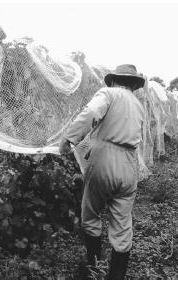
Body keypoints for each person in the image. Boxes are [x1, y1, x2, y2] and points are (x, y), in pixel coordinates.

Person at [59, 64, 145, 280]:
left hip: (104, 159)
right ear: (134, 85)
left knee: (91, 213)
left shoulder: (109, 93)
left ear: (115, 81)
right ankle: (116, 276)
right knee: (123, 223)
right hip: (129, 164)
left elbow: (90, 112)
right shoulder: (138, 104)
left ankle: (94, 267)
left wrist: (69, 138)